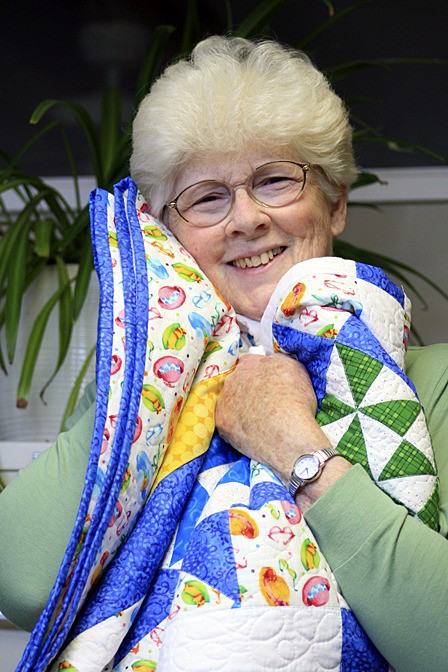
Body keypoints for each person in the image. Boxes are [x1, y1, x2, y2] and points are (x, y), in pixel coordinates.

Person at [0, 35, 447, 672]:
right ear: (168, 234)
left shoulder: (434, 382)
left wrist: (296, 448)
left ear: (336, 202)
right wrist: (151, 359)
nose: (245, 219)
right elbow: (22, 581)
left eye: (274, 181)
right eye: (208, 197)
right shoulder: (151, 393)